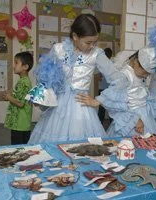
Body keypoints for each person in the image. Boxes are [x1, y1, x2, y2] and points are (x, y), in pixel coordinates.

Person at [28, 14, 118, 143]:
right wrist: (38, 96)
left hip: (80, 107)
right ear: (75, 36)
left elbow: (118, 80)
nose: (92, 46)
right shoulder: (58, 49)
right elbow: (46, 76)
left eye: (95, 42)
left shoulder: (96, 54)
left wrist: (99, 100)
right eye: (88, 42)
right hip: (57, 107)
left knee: (81, 147)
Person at [78, 48, 156, 136]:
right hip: (132, 115)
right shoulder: (125, 75)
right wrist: (97, 101)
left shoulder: (138, 75)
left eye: (147, 74)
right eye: (144, 73)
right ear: (136, 62)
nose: (145, 76)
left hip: (144, 114)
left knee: (146, 141)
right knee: (131, 143)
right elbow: (115, 93)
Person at [3, 52, 33, 145]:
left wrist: (9, 97)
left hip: (20, 124)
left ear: (25, 67)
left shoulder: (24, 83)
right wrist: (10, 96)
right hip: (22, 124)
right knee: (23, 147)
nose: (13, 66)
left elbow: (20, 103)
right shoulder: (24, 81)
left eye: (16, 63)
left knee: (17, 148)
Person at [97, 48, 112, 125]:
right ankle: (111, 124)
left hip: (102, 89)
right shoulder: (113, 63)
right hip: (111, 89)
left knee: (102, 108)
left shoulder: (101, 64)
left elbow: (98, 78)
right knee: (111, 108)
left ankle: (100, 124)